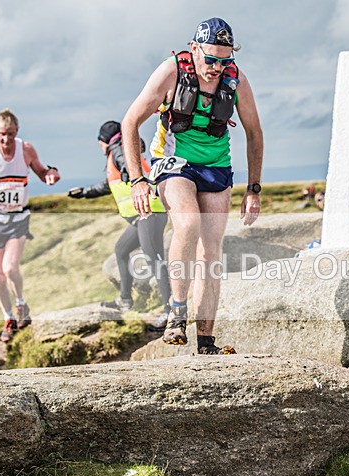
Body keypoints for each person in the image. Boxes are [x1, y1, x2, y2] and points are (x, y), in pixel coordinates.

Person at [122, 17, 263, 354]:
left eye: (224, 61)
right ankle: (177, 309)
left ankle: (206, 340)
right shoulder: (171, 71)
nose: (216, 68)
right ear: (195, 48)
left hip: (216, 166)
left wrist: (253, 189)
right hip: (174, 161)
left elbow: (254, 133)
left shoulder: (236, 80)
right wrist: (138, 180)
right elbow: (130, 122)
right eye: (210, 59)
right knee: (187, 223)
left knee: (211, 251)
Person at [0, 109, 61, 342]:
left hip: (17, 219)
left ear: (17, 132)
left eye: (11, 134)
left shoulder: (26, 150)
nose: (6, 140)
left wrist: (51, 174)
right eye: (2, 135)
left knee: (10, 269)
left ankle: (21, 304)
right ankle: (9, 318)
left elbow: (42, 172)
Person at [68, 121, 171, 331]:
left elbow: (128, 166)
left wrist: (129, 172)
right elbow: (109, 185)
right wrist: (84, 192)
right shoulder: (116, 153)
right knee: (121, 250)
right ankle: (125, 300)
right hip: (142, 215)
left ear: (103, 140)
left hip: (149, 212)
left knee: (155, 260)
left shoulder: (119, 150)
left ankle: (170, 310)